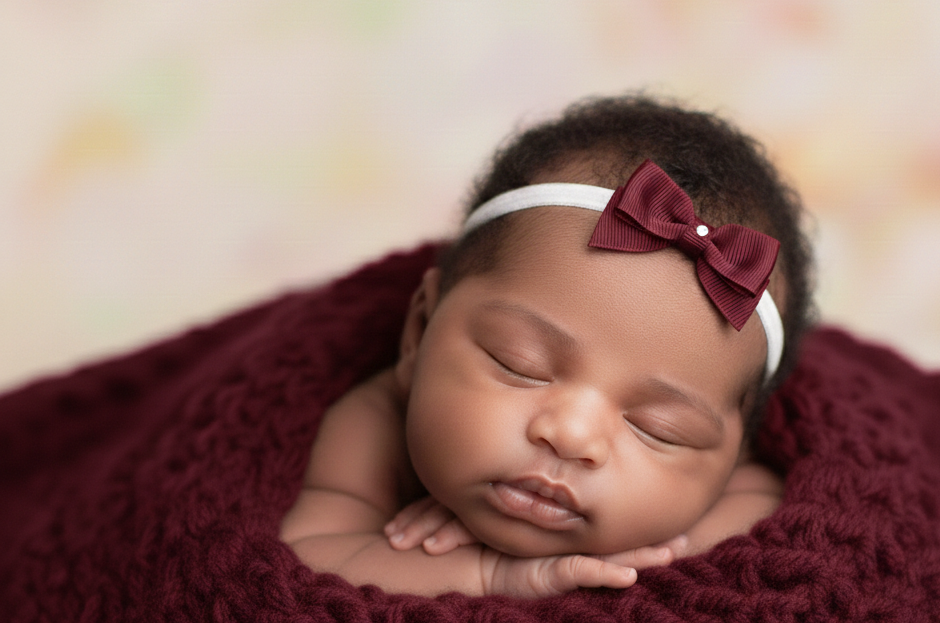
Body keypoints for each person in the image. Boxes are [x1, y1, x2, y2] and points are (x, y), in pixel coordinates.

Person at [279, 96, 815, 597]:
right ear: (420, 331)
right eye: (521, 365)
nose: (571, 435)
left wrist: (643, 555)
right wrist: (489, 574)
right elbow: (309, 557)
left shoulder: (744, 484)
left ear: (736, 451)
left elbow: (766, 510)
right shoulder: (371, 425)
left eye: (657, 428)